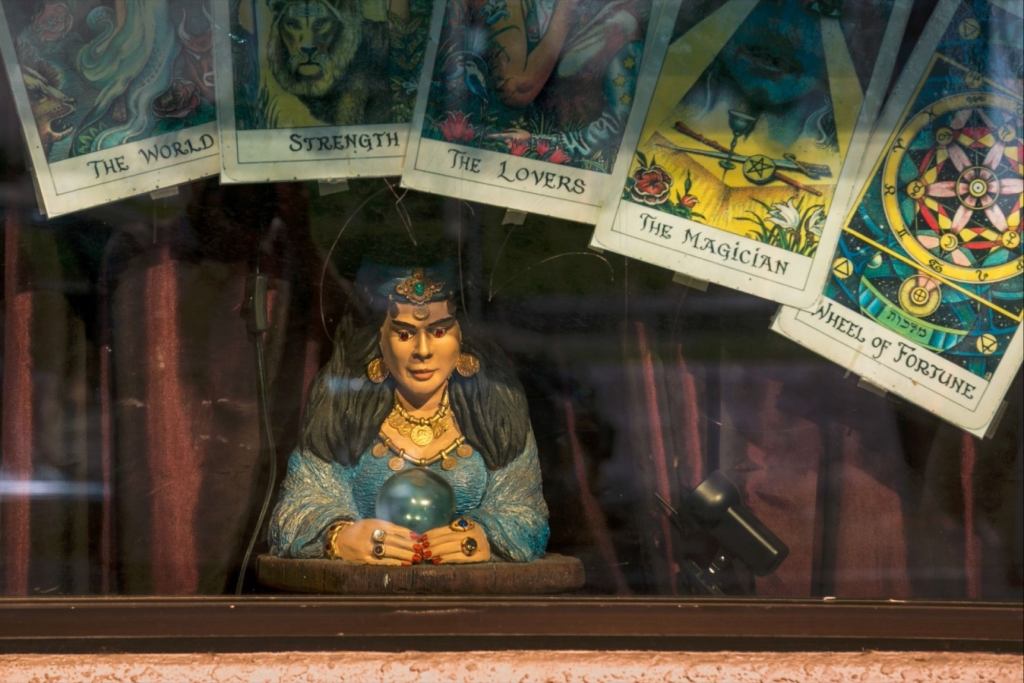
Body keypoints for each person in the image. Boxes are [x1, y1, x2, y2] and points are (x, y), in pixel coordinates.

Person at [268, 264, 549, 564]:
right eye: (404, 334)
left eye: (438, 331)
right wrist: (340, 535)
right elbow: (295, 508)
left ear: (462, 337)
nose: (423, 351)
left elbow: (526, 512)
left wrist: (484, 536)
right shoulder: (343, 414)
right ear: (379, 340)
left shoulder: (495, 415)